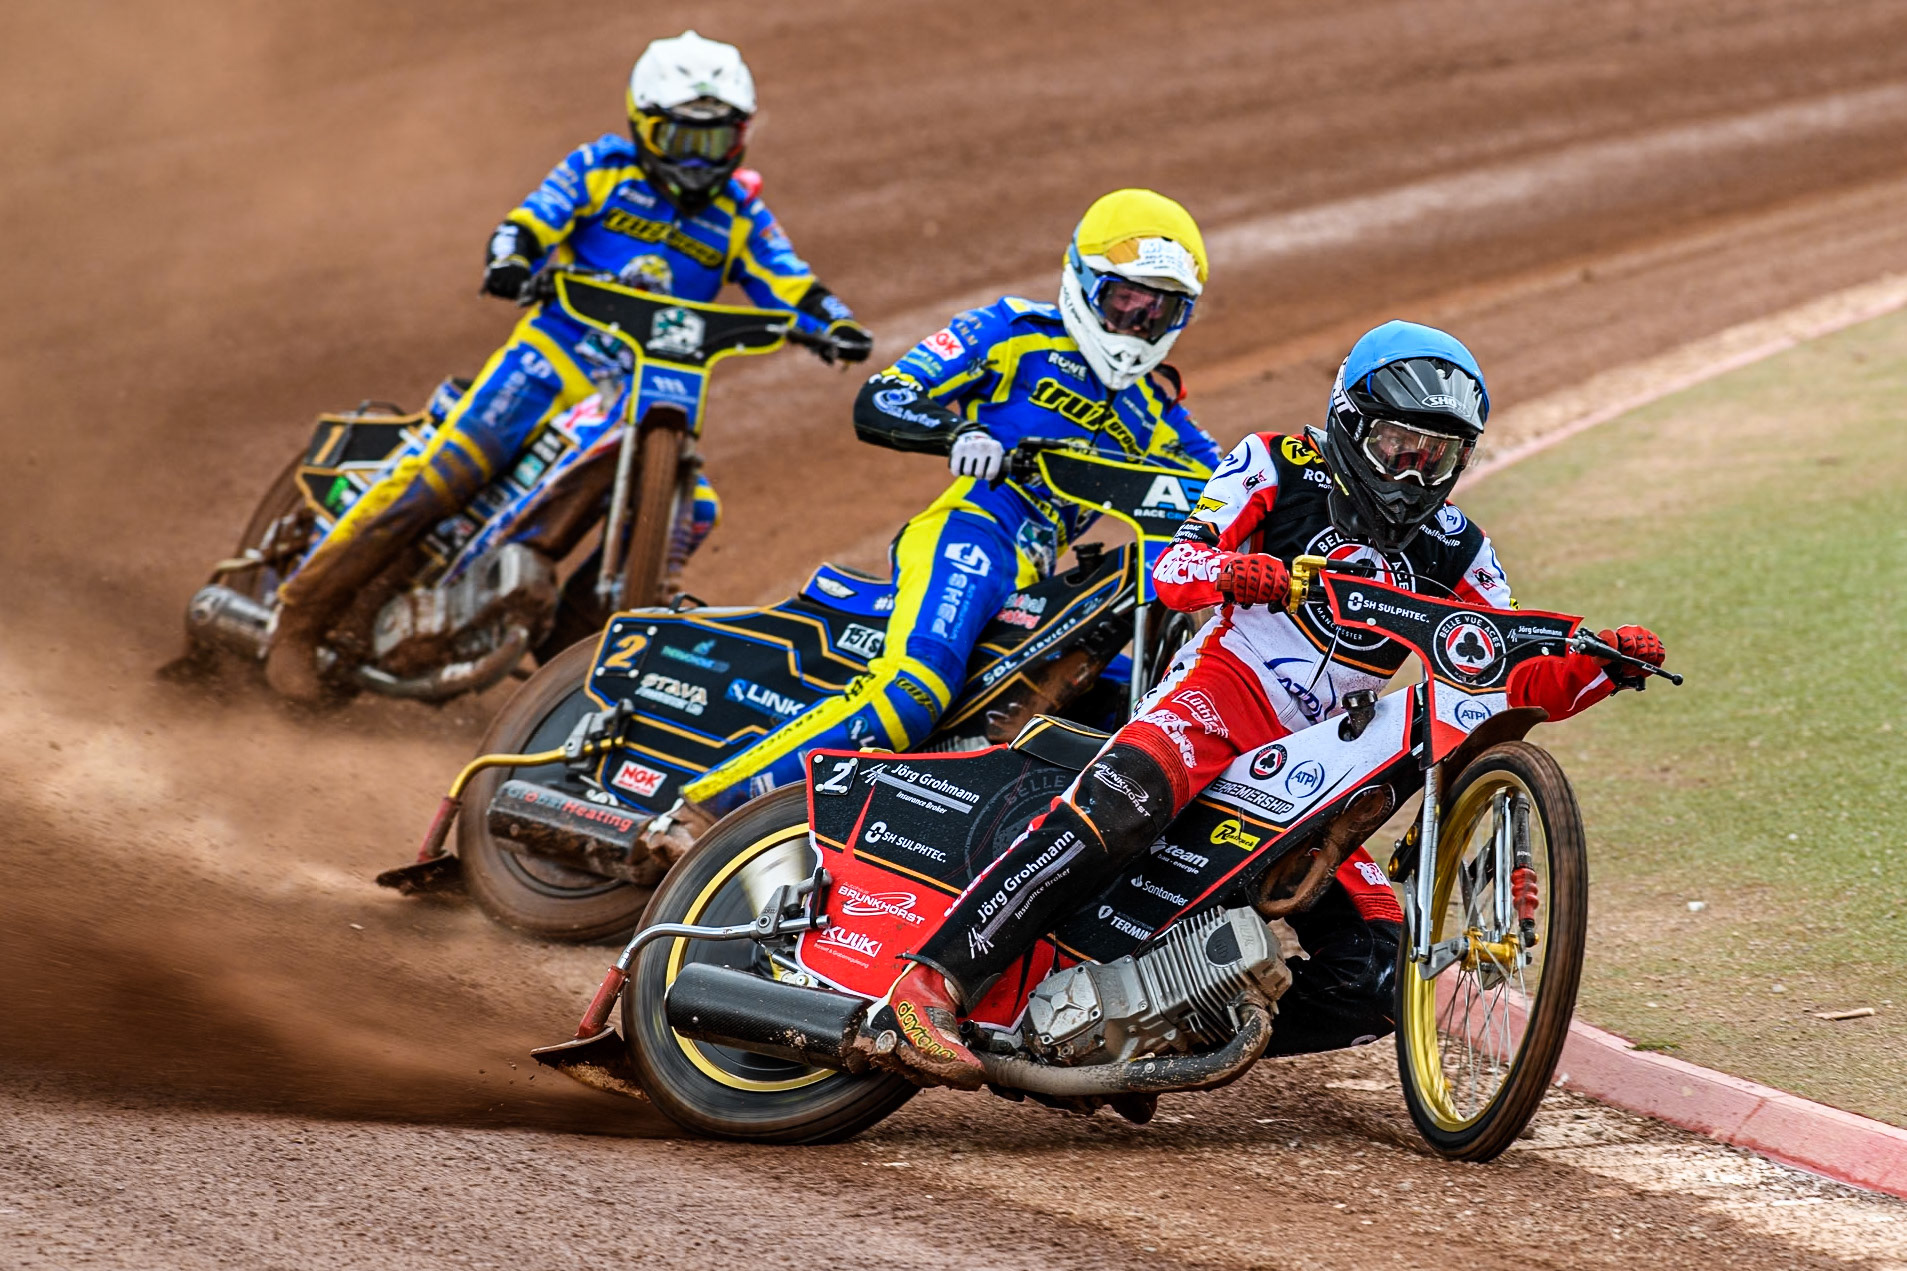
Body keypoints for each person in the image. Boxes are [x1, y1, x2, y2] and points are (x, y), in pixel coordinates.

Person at [874, 319, 1669, 1087]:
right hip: (1217, 697)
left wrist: (1600, 667)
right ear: (1349, 426)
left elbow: (1504, 671)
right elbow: (1174, 567)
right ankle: (928, 984)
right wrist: (1233, 572)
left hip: (1324, 760)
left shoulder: (1460, 545)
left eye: (1437, 458)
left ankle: (1162, 1038)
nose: (1412, 477)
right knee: (1122, 803)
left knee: (1381, 973)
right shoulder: (1274, 463)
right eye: (1398, 447)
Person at [266, 30, 872, 702]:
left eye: (714, 141)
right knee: (451, 469)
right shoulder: (601, 168)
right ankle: (300, 617)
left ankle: (570, 652)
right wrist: (512, 258)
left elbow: (790, 282)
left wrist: (834, 323)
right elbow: (531, 222)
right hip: (551, 360)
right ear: (643, 126)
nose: (697, 159)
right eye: (680, 138)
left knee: (694, 509)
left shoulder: (739, 213)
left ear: (740, 138)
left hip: (650, 390)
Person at [675, 189, 1220, 820]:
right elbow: (886, 394)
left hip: (1043, 587)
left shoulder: (1157, 409)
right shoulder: (1014, 333)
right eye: (1124, 300)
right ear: (1084, 281)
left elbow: (1234, 482)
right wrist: (959, 433)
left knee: (1129, 708)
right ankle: (699, 813)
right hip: (970, 535)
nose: (1136, 322)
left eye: (1157, 310)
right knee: (915, 691)